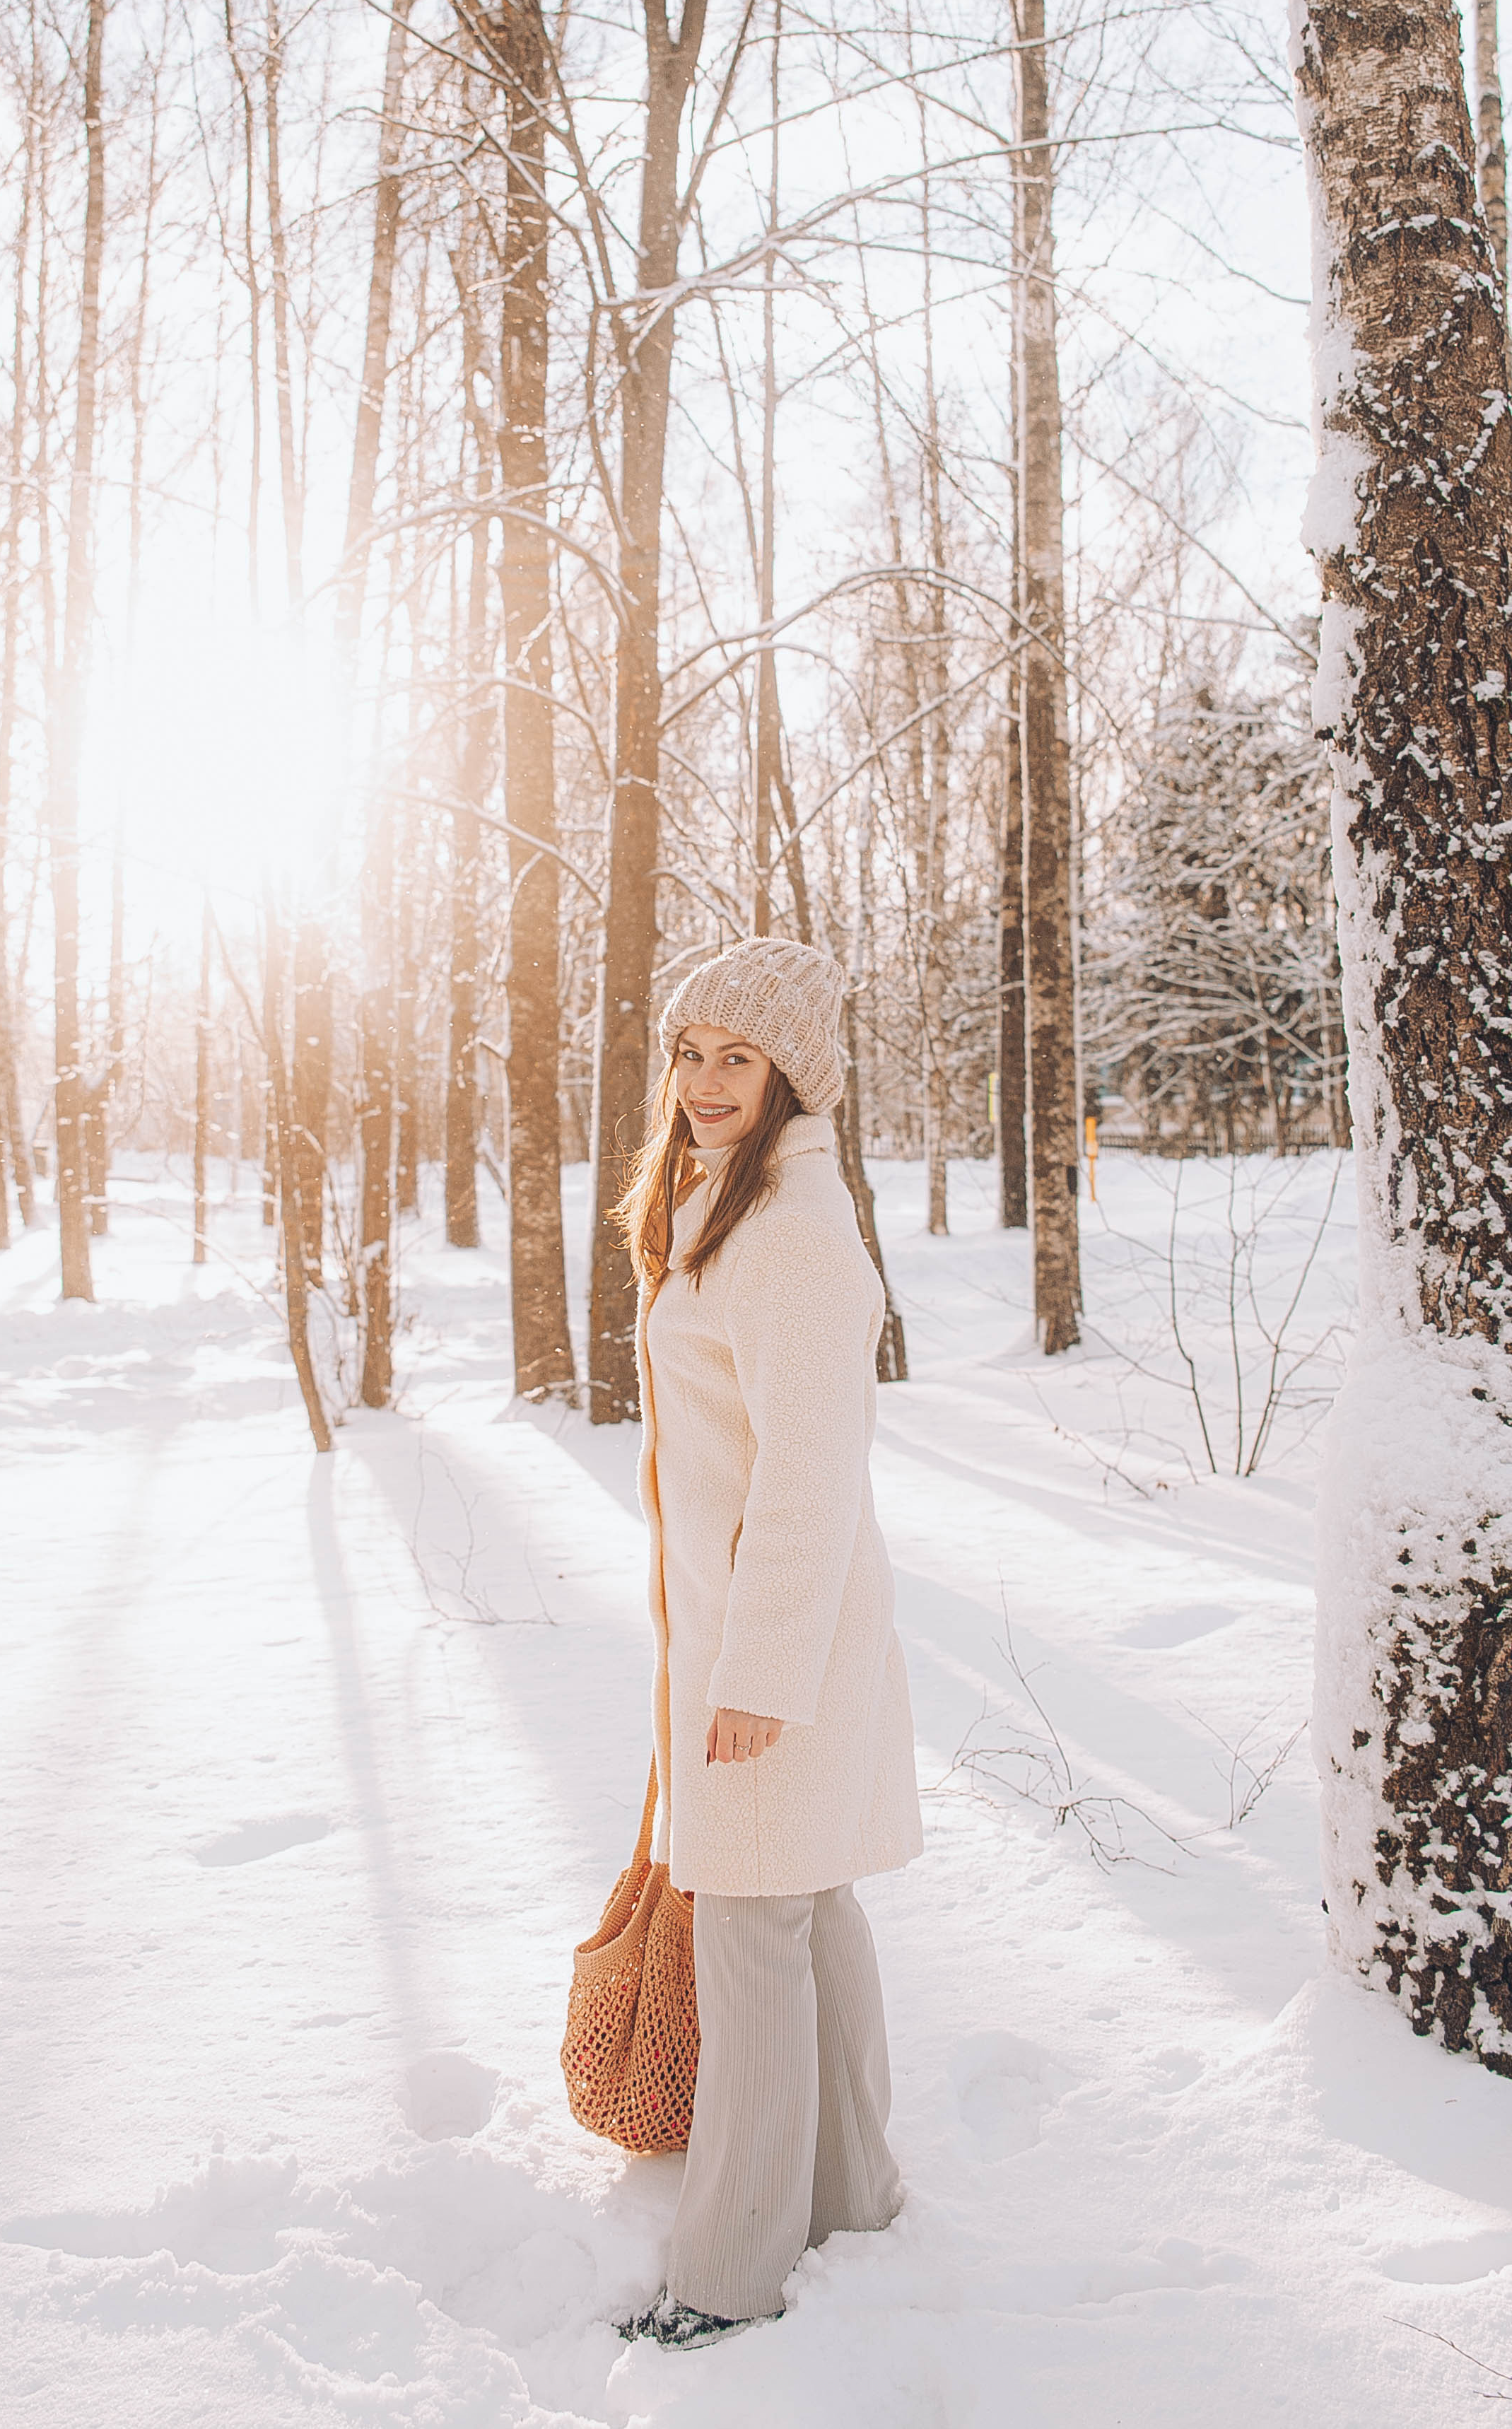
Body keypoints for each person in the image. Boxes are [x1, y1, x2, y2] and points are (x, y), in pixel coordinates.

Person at [614, 937, 923, 2353]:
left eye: (740, 1055)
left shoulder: (789, 1238)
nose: (707, 1081)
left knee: (751, 1936)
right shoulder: (722, 1212)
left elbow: (809, 1482)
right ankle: (854, 2200)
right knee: (807, 1907)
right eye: (692, 1050)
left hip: (772, 1649)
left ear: (797, 1075)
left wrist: (753, 1680)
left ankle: (726, 2275)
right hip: (763, 1641)